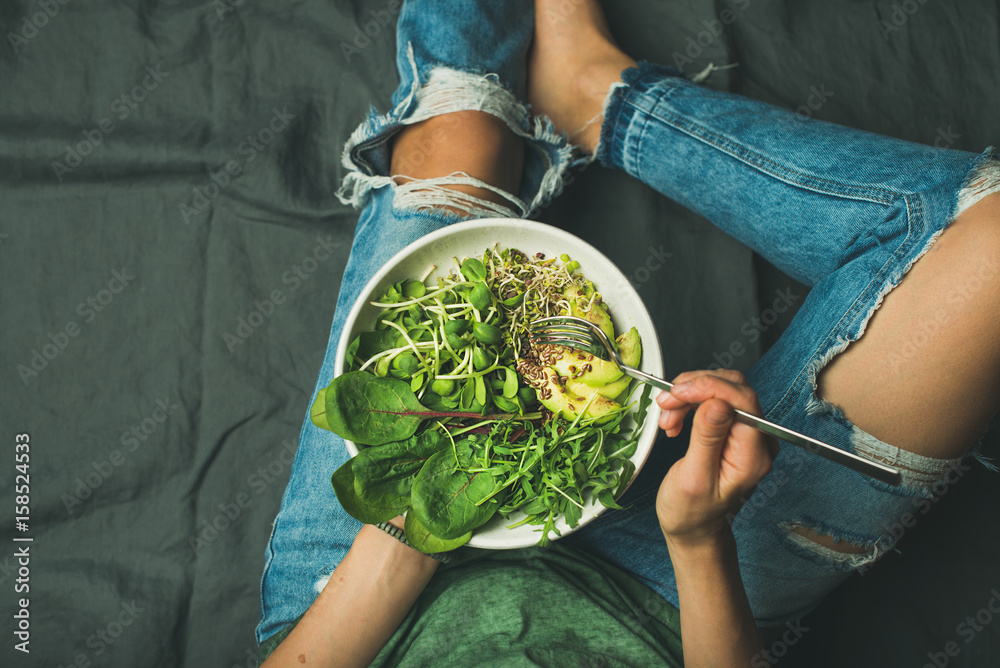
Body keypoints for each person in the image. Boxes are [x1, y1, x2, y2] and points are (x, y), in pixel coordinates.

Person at [256, 1, 1000, 665]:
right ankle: (605, 100)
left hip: (365, 616)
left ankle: (582, 93)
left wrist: (399, 539)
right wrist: (699, 540)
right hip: (664, 607)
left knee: (460, 130)